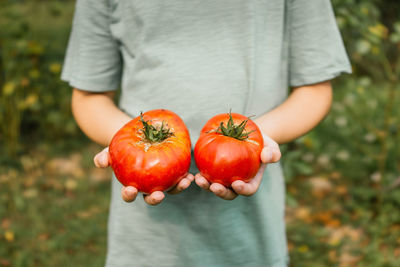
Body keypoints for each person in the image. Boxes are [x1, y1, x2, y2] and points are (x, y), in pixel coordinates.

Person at [62, 0, 351, 266]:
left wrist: (257, 141)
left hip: (251, 235)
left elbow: (316, 89)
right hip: (143, 241)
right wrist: (126, 146)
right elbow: (89, 97)